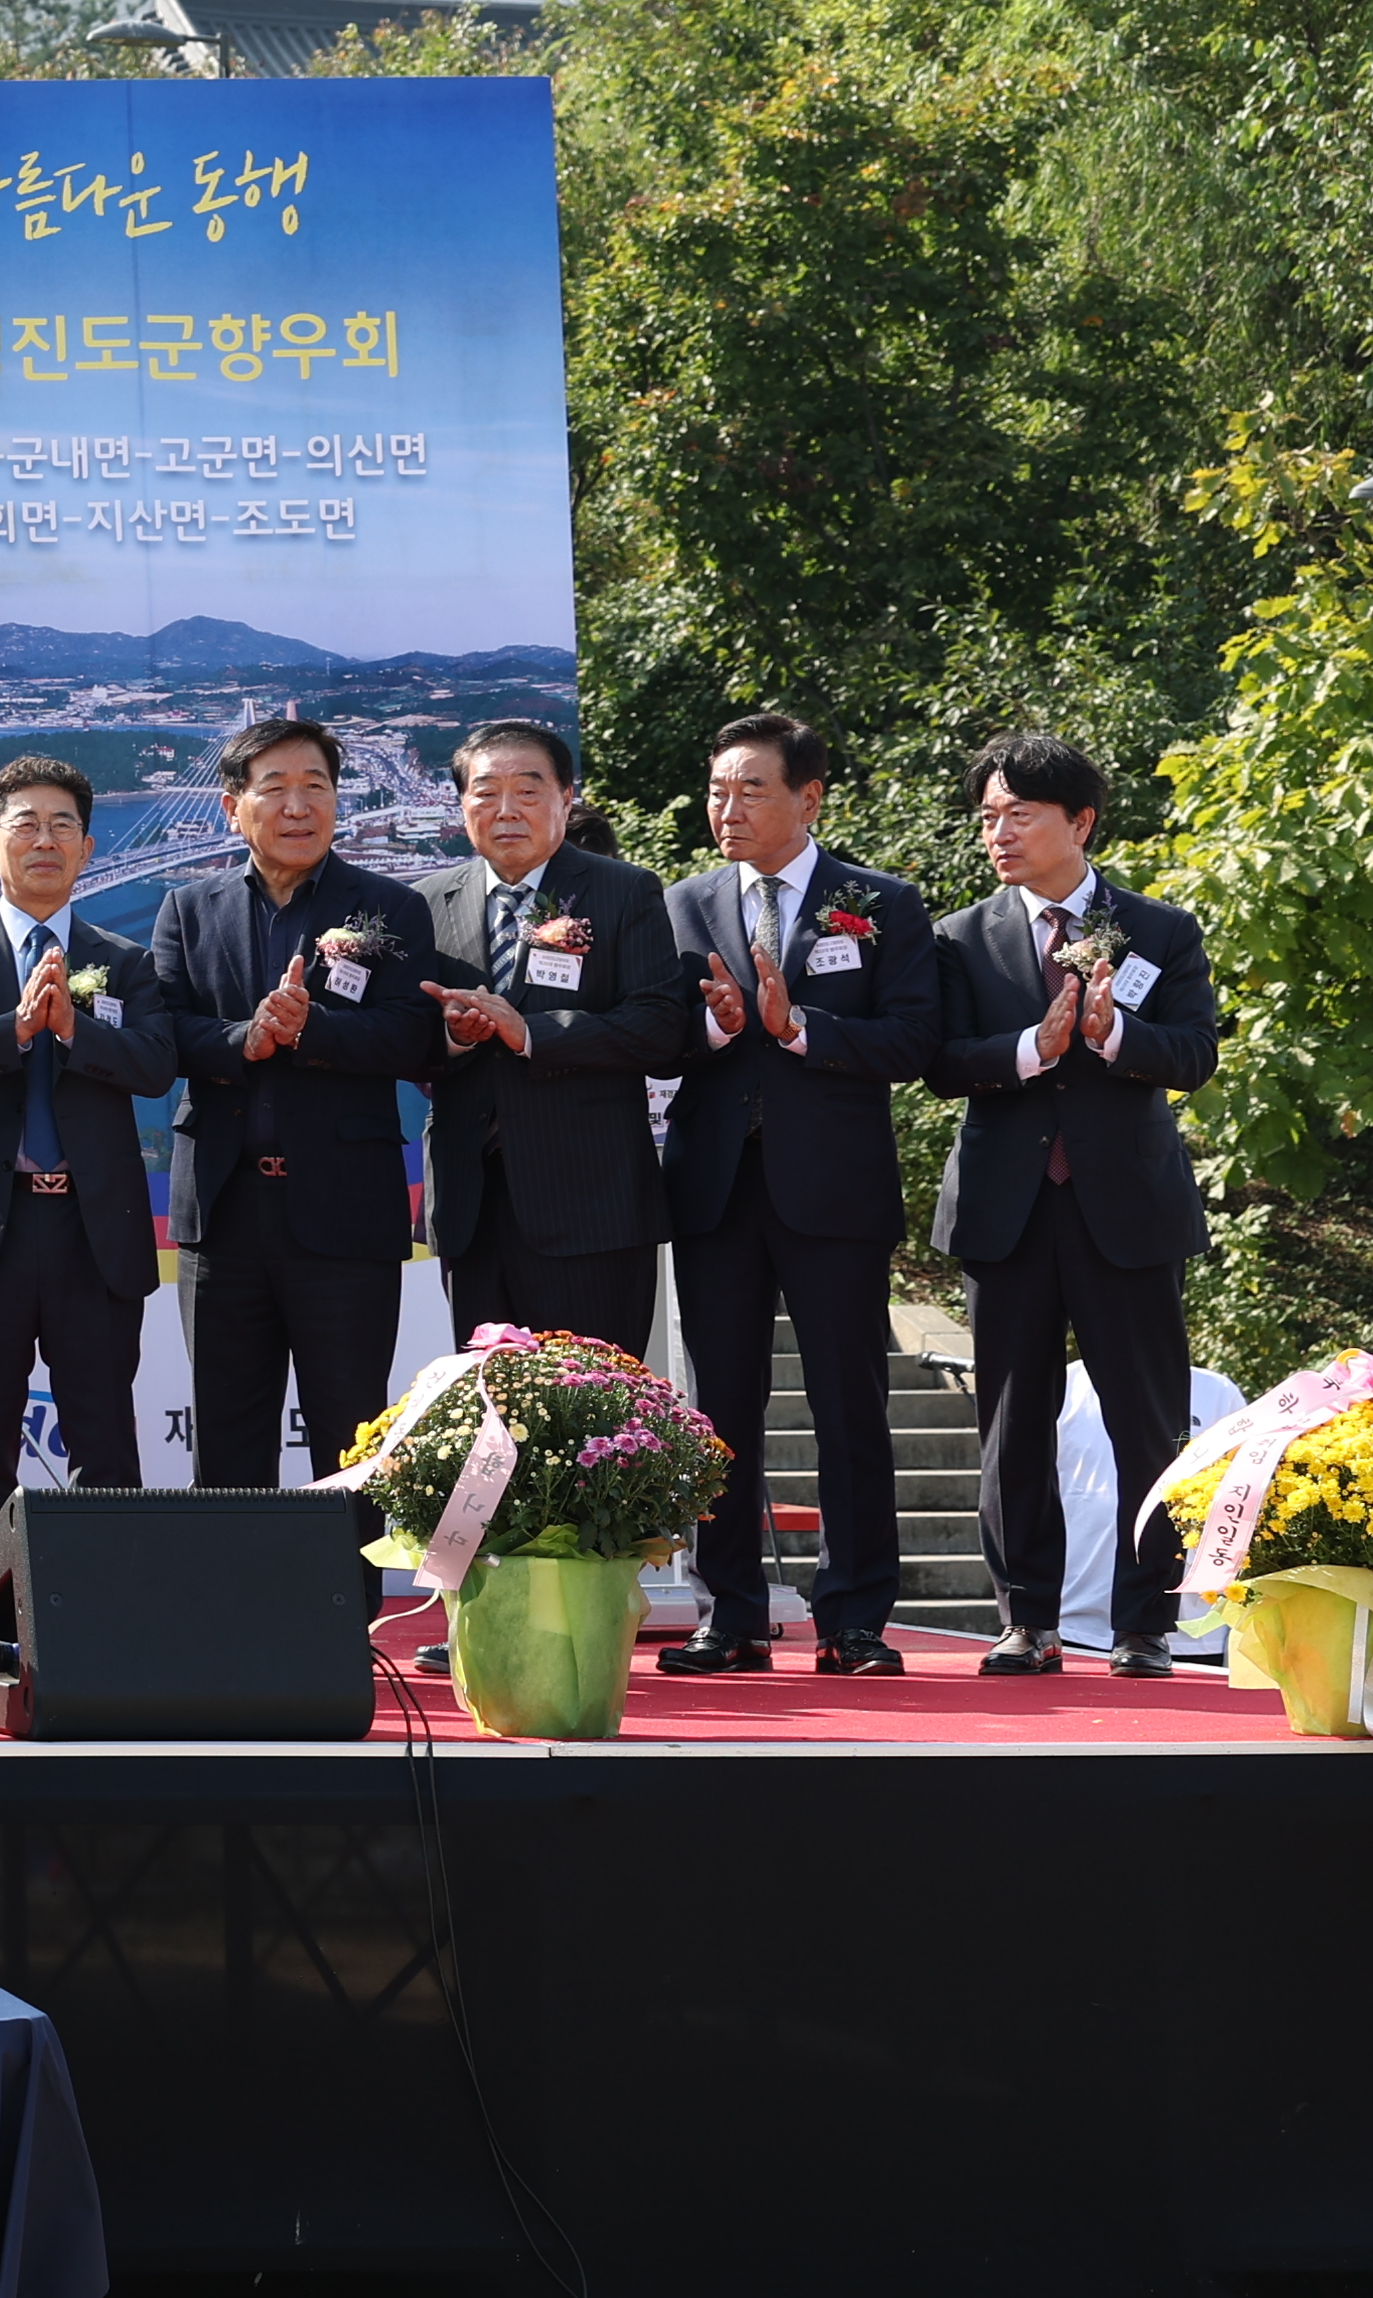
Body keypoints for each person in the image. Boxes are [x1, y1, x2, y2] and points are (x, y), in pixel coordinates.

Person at [931, 732, 1222, 1675]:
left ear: (1081, 822)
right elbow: (940, 1060)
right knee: (1013, 1425)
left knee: (1148, 1421)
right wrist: (1031, 1048)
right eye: (988, 818)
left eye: (1019, 815)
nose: (999, 834)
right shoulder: (960, 937)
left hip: (1126, 1208)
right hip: (1007, 1210)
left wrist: (1114, 1034)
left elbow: (1195, 1054)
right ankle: (1029, 1620)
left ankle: (1144, 1626)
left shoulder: (1160, 929)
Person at [661, 713, 942, 1673]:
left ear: (809, 797)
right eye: (717, 791)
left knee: (849, 1405)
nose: (727, 810)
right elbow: (653, 1033)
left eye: (751, 790)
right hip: (714, 1189)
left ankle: (853, 1618)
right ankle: (730, 1612)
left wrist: (797, 1029)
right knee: (718, 1411)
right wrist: (715, 1027)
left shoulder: (881, 902)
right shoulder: (681, 904)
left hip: (835, 1191)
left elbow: (915, 1039)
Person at [149, 714, 444, 1486]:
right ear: (232, 807)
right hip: (224, 1215)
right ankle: (239, 1574)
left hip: (344, 1215)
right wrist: (242, 1040)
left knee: (351, 1445)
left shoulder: (390, 907)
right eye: (275, 788)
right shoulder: (189, 908)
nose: (298, 806)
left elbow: (410, 1036)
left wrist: (312, 1030)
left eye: (316, 786)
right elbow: (163, 1032)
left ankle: (350, 1577)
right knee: (228, 1444)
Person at [0, 756, 177, 1587]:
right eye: (26, 825)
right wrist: (17, 1029)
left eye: (64, 826)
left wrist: (73, 1031)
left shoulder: (124, 960)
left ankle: (107, 1609)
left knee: (104, 1435)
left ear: (88, 849)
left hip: (91, 1230)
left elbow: (155, 1065)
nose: (45, 841)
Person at [418, 718, 694, 1351]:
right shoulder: (428, 900)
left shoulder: (623, 890)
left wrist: (532, 1034)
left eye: (528, 790)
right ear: (462, 806)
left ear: (566, 799)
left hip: (590, 1202)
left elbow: (660, 1026)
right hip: (470, 1207)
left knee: (594, 1399)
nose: (506, 810)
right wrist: (452, 1038)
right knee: (488, 1399)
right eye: (486, 792)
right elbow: (403, 1035)